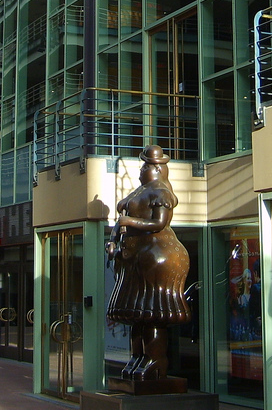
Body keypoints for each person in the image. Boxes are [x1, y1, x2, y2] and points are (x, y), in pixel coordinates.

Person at [106, 144, 191, 381]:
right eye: (142, 166)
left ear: (157, 168)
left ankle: (155, 360)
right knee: (137, 314)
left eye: (146, 166)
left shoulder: (160, 192)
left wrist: (130, 221)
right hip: (135, 257)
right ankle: (138, 357)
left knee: (152, 311)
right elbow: (120, 225)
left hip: (155, 256)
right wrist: (115, 242)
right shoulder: (140, 191)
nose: (141, 171)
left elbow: (159, 223)